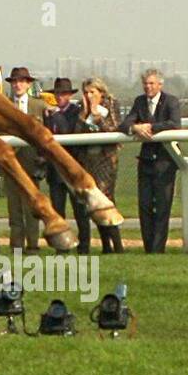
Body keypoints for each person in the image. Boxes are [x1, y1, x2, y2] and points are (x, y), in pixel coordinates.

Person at [119, 69, 181, 253]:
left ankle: (157, 249)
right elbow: (125, 124)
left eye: (152, 83)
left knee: (162, 207)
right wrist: (136, 127)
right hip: (145, 162)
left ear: (160, 85)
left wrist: (150, 127)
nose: (148, 87)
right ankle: (148, 248)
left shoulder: (171, 101)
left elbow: (174, 123)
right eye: (146, 83)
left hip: (165, 162)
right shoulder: (139, 102)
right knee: (144, 206)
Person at [70, 77, 124, 254]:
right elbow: (77, 134)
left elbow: (114, 128)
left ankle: (117, 245)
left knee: (106, 201)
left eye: (92, 92)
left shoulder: (111, 105)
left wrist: (97, 115)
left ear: (101, 92)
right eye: (86, 92)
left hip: (106, 161)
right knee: (93, 204)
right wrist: (85, 114)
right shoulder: (81, 108)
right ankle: (106, 245)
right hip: (88, 161)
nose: (88, 95)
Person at [0, 67, 48, 254]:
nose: (17, 85)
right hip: (11, 163)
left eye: (21, 81)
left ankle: (33, 246)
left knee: (32, 207)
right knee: (14, 208)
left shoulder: (39, 106)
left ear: (29, 84)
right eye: (14, 82)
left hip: (32, 162)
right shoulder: (4, 105)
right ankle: (16, 247)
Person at [43, 78, 82, 225]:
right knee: (58, 210)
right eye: (57, 94)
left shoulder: (76, 112)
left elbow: (67, 130)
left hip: (73, 167)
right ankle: (62, 247)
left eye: (63, 94)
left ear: (70, 96)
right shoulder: (48, 114)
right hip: (55, 169)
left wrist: (56, 115)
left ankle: (84, 245)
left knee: (80, 210)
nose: (59, 97)